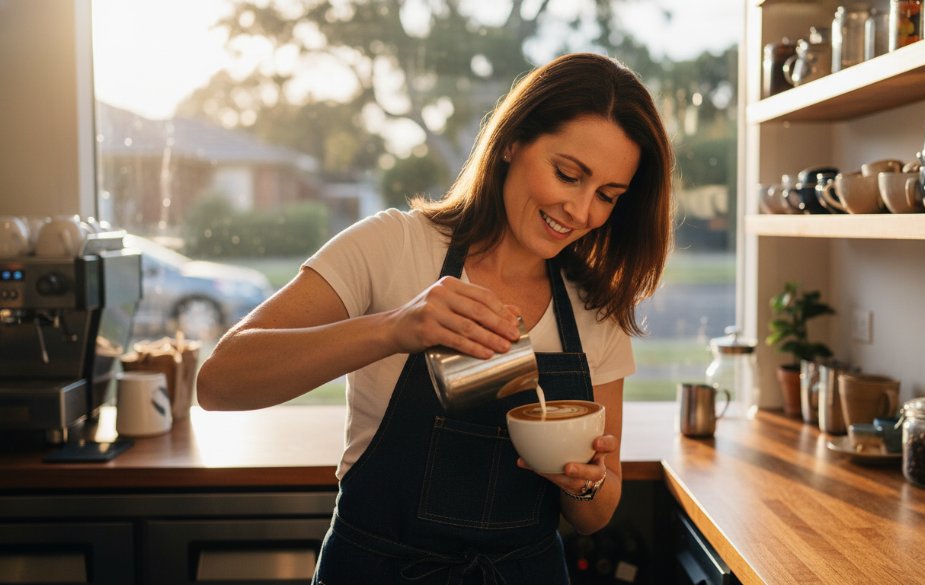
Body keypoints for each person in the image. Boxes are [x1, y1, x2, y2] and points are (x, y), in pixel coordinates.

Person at [197, 52, 674, 584]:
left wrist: (583, 482)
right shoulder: (393, 246)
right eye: (568, 175)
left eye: (607, 196)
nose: (582, 212)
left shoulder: (593, 308)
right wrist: (395, 328)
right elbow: (219, 382)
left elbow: (596, 513)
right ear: (512, 142)